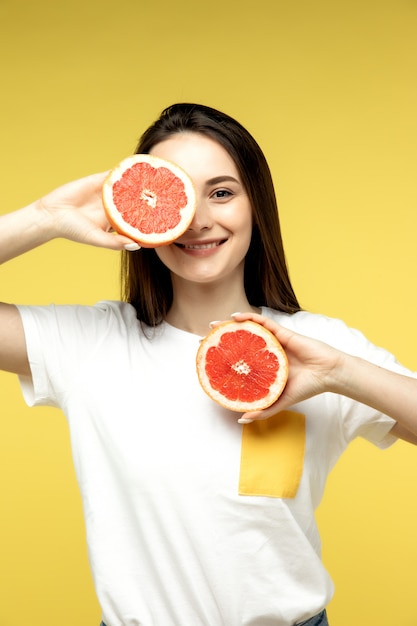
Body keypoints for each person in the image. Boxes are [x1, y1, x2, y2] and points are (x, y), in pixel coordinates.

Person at [0, 103, 416, 626]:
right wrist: (44, 218)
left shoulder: (317, 344)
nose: (198, 219)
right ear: (143, 211)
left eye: (221, 192)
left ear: (255, 205)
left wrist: (340, 373)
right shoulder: (91, 344)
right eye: (178, 196)